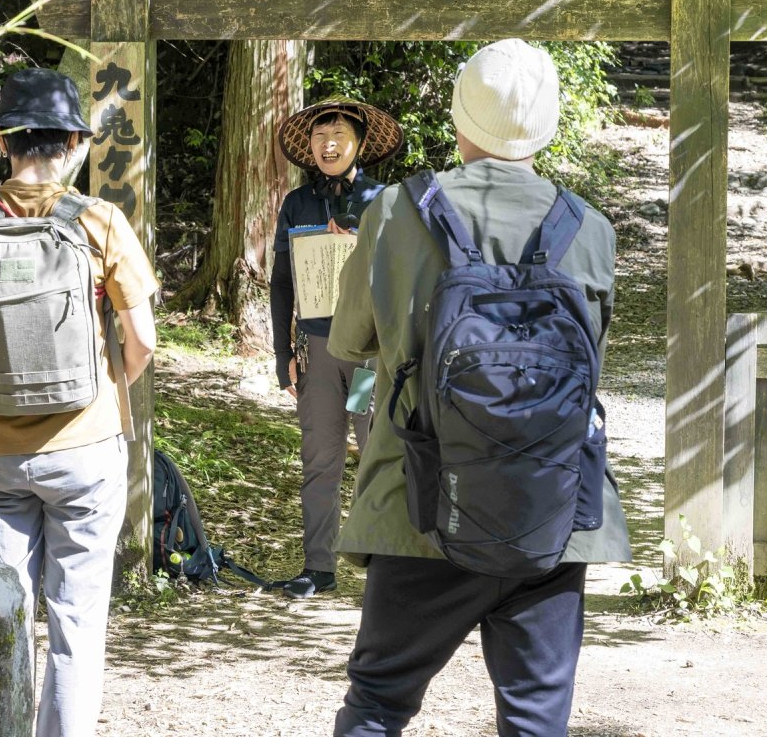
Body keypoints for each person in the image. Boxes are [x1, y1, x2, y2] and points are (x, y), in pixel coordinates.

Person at [327, 39, 631, 736]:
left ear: (459, 118)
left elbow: (347, 341)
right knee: (534, 719)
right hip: (552, 507)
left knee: (378, 703)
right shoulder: (590, 230)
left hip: (421, 501)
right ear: (549, 126)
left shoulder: (396, 211)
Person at [0, 66, 158, 737]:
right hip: (87, 447)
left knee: (4, 610)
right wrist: (112, 388)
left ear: (2, 141)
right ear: (76, 143)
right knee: (76, 620)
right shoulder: (99, 220)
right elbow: (142, 339)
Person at [270, 97, 404, 598]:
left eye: (340, 135)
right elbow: (281, 281)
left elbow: (401, 276)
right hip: (320, 352)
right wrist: (282, 353)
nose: (329, 144)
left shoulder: (384, 201)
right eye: (321, 136)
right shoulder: (298, 204)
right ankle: (318, 566)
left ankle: (386, 566)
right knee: (321, 456)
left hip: (369, 354)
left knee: (376, 449)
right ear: (309, 146)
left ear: (361, 144)